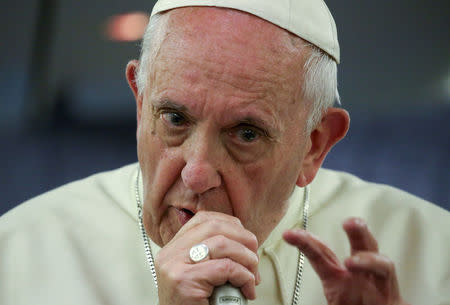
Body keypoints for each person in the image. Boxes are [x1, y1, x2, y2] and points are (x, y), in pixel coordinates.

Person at [0, 0, 449, 304]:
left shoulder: (433, 253)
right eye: (175, 119)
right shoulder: (19, 256)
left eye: (246, 133)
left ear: (314, 145)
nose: (196, 174)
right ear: (141, 104)